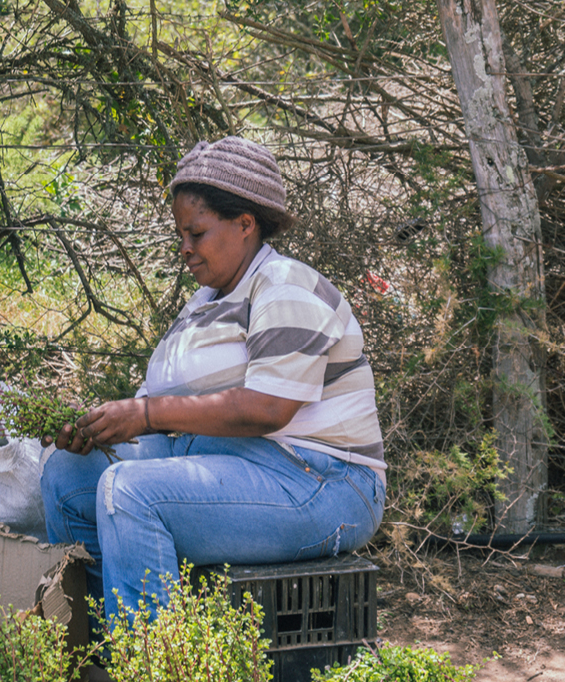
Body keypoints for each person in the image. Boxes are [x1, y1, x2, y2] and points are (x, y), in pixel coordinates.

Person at [41, 137, 386, 625]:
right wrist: (102, 426)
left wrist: (144, 415)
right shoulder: (204, 303)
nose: (185, 249)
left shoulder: (284, 284)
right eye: (181, 235)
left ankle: (153, 655)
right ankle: (103, 646)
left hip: (323, 480)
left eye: (197, 233)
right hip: (229, 458)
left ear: (245, 224)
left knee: (132, 491)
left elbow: (267, 408)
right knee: (66, 476)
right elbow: (162, 403)